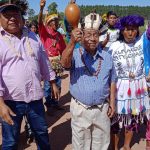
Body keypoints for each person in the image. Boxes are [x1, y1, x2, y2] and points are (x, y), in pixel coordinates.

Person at [0, 2, 60, 150]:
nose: (12, 18)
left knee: (42, 134)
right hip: (10, 101)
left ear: (22, 17)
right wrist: (0, 104)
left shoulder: (33, 36)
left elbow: (44, 60)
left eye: (16, 15)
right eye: (7, 16)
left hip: (35, 99)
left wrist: (52, 82)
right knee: (10, 141)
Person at [61, 12, 117, 150]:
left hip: (102, 109)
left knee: (102, 145)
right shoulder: (74, 53)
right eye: (88, 34)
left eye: (96, 35)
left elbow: (112, 81)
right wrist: (72, 42)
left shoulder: (107, 57)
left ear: (99, 36)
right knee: (80, 146)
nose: (92, 38)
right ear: (81, 36)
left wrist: (112, 103)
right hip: (80, 109)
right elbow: (64, 63)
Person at [108, 15, 150, 150]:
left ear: (138, 30)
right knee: (116, 121)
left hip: (137, 89)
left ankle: (127, 146)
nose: (130, 32)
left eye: (133, 29)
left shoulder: (142, 42)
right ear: (121, 31)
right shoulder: (114, 46)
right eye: (127, 29)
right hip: (119, 88)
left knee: (132, 118)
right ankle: (114, 147)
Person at [38, 0, 66, 111]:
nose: (56, 23)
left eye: (57, 21)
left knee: (58, 83)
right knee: (47, 86)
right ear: (49, 23)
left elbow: (63, 50)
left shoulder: (59, 35)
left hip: (57, 63)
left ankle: (55, 103)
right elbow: (40, 22)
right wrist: (41, 9)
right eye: (53, 21)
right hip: (47, 63)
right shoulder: (45, 32)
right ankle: (48, 104)